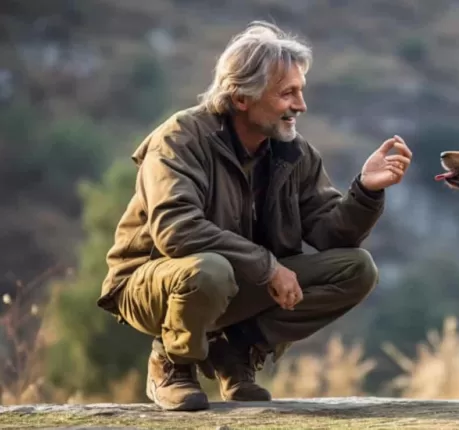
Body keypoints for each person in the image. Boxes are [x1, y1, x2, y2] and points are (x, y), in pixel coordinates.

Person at [95, 20, 412, 411]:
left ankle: (236, 351)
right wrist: (267, 266)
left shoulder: (293, 152)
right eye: (287, 93)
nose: (301, 105)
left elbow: (332, 237)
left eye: (301, 92)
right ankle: (173, 364)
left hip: (233, 281)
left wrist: (367, 189)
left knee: (356, 268)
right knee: (209, 270)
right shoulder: (179, 138)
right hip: (151, 284)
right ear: (241, 97)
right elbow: (175, 230)